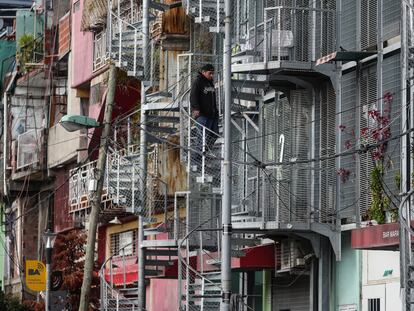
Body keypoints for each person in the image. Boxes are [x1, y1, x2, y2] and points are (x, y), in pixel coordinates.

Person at [190, 63, 219, 154]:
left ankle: (205, 152)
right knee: (201, 137)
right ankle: (198, 158)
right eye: (210, 73)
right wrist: (196, 108)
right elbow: (193, 95)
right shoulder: (198, 81)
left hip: (212, 115)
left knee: (214, 134)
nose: (212, 75)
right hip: (202, 115)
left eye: (213, 73)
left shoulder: (210, 83)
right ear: (203, 72)